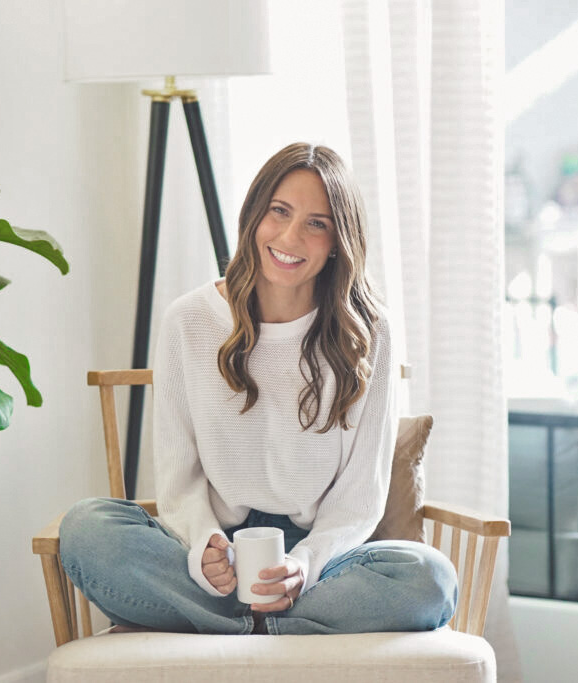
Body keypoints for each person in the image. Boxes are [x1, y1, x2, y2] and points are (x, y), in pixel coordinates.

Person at [60, 143, 457, 635]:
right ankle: (269, 628)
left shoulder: (369, 332)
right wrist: (204, 545)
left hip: (319, 561)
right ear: (254, 215)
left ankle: (233, 629)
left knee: (431, 578)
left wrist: (305, 566)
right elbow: (178, 477)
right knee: (86, 529)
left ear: (338, 240)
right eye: (280, 212)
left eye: (317, 223)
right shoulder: (189, 321)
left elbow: (360, 499)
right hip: (217, 554)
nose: (291, 236)